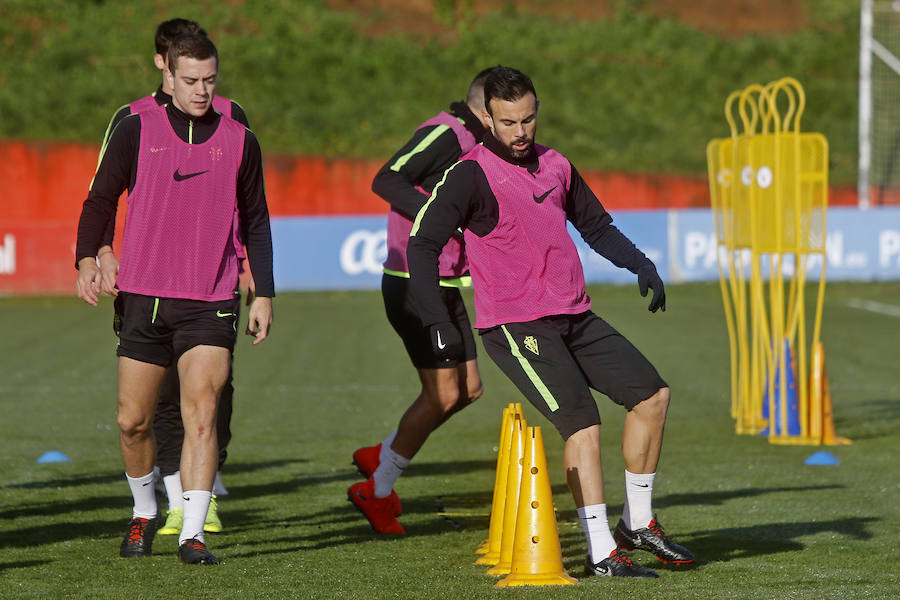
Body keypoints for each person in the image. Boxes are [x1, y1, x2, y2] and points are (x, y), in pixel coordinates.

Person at [407, 66, 694, 578]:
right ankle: (603, 551)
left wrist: (640, 264)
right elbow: (423, 243)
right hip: (517, 327)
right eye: (510, 122)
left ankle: (639, 523)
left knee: (652, 396)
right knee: (581, 422)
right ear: (488, 120)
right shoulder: (469, 173)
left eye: (529, 119)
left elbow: (596, 225)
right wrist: (436, 318)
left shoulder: (556, 164)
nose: (521, 132)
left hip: (575, 314)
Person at [75, 33, 274, 565]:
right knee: (132, 421)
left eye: (210, 80)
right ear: (167, 76)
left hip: (211, 299)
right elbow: (99, 199)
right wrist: (88, 259)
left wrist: (263, 293)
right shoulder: (136, 129)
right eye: (191, 81)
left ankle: (193, 533)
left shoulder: (240, 140)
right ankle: (144, 511)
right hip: (143, 299)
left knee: (202, 415)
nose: (202, 90)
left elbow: (257, 220)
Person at [347, 67, 499, 534]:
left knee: (469, 390)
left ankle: (383, 453)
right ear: (485, 110)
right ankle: (375, 491)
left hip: (445, 282)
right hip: (413, 281)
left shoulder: (478, 144)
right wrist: (440, 215)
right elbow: (387, 179)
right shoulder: (446, 134)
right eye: (507, 116)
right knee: (445, 393)